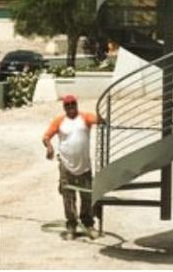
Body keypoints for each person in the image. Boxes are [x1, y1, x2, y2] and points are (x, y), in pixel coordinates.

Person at [42, 93, 98, 239]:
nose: (71, 107)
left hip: (84, 165)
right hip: (66, 165)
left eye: (73, 104)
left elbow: (100, 120)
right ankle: (71, 225)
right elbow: (46, 136)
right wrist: (49, 147)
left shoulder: (85, 117)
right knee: (68, 196)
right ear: (64, 107)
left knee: (87, 195)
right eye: (67, 105)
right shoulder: (59, 121)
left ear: (76, 105)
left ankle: (88, 224)